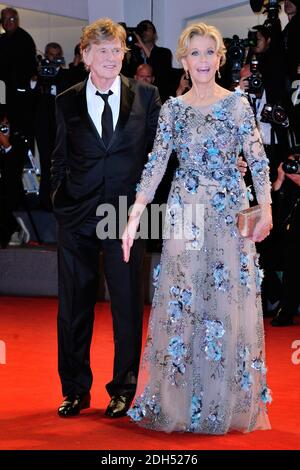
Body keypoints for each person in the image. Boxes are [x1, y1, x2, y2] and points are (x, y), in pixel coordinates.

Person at [123, 23, 273, 434]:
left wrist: (267, 209)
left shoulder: (238, 105)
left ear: (219, 59)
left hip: (229, 211)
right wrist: (135, 214)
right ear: (184, 61)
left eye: (210, 52)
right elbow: (156, 163)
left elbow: (257, 161)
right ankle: (178, 401)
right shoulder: (172, 109)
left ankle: (222, 403)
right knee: (184, 301)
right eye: (195, 53)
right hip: (185, 212)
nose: (203, 60)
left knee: (226, 305)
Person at [51, 18, 161, 418]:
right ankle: (75, 389)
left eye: (117, 50)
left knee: (128, 306)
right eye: (103, 50)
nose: (112, 57)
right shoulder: (65, 100)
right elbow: (58, 157)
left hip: (127, 214)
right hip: (76, 213)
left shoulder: (147, 96)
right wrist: (59, 203)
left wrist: (144, 211)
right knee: (73, 307)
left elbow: (156, 159)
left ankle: (123, 389)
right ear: (85, 56)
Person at [0, 7, 36, 151]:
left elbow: (26, 70)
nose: (8, 22)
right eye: (4, 19)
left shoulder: (24, 39)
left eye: (11, 19)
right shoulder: (3, 39)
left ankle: (23, 166)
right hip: (5, 96)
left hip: (20, 97)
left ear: (17, 20)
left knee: (20, 133)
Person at [0, 104, 30, 248]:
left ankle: (16, 229)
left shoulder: (18, 142)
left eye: (5, 126)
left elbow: (14, 167)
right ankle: (12, 229)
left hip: (11, 188)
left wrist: (6, 144)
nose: (3, 129)